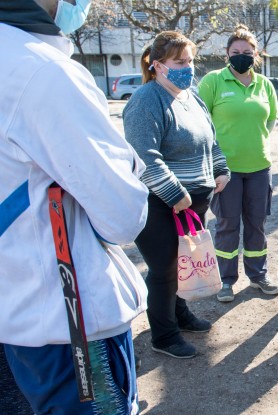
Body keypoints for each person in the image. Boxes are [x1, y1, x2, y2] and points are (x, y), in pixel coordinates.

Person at [1, 0, 150, 412]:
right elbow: (123, 216)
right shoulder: (41, 72)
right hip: (68, 326)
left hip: (18, 312)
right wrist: (128, 164)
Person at [124, 31, 231, 359]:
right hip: (160, 202)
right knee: (164, 268)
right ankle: (164, 335)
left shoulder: (192, 97)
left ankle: (180, 315)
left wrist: (220, 168)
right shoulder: (146, 100)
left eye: (190, 61)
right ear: (157, 65)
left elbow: (209, 140)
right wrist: (174, 193)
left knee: (183, 261)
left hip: (193, 201)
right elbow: (146, 155)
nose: (189, 68)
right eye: (180, 62)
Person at [198, 25, 278, 303]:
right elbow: (201, 124)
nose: (241, 56)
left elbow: (270, 121)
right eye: (236, 52)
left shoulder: (265, 84)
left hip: (259, 168)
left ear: (256, 55)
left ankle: (258, 276)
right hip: (225, 171)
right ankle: (226, 280)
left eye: (247, 52)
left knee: (257, 224)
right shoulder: (213, 82)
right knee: (227, 225)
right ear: (227, 54)